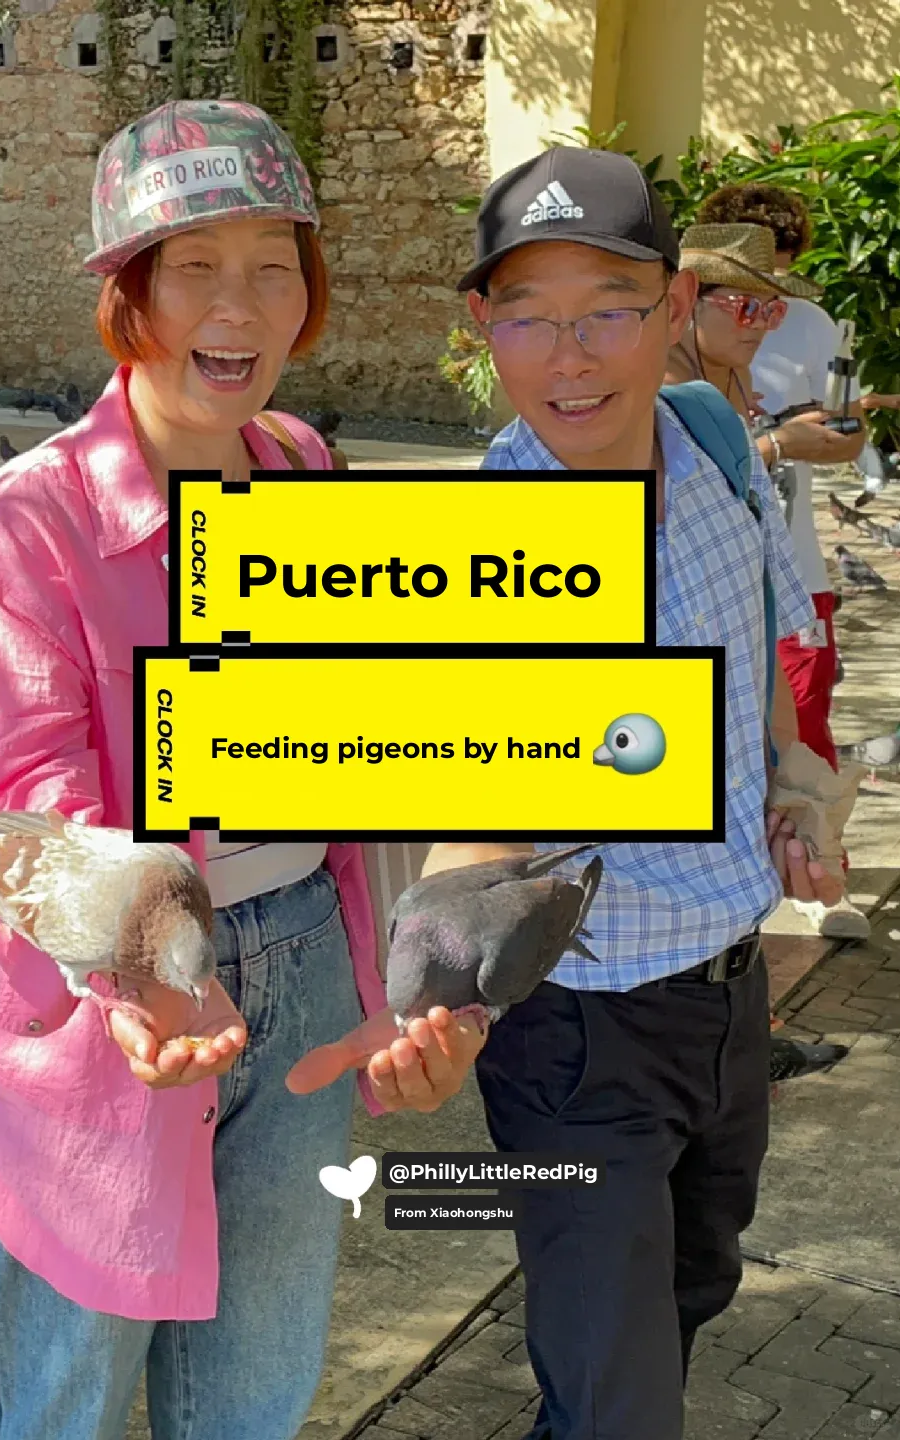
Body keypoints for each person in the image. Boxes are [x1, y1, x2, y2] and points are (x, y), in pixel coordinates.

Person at [0, 99, 485, 1440]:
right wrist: (145, 958)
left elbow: (376, 735)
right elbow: (11, 801)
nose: (239, 307)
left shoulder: (302, 467)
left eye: (274, 266)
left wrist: (431, 971)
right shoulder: (38, 516)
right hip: (110, 1017)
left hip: (306, 971)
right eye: (195, 266)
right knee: (49, 1401)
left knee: (255, 1390)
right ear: (130, 292)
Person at [435, 144, 844, 1440]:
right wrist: (432, 991)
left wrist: (794, 792)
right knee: (619, 1402)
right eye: (531, 317)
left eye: (608, 310)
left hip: (729, 997)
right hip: (576, 1032)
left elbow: (763, 641)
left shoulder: (718, 440)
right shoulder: (477, 547)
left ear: (672, 308)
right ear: (483, 328)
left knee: (689, 1299)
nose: (572, 357)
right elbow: (459, 804)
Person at [697, 182, 886, 939]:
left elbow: (848, 434)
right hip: (709, 585)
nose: (763, 311)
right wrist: (774, 442)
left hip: (793, 570)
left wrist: (828, 437)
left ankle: (815, 877)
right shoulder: (666, 339)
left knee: (801, 727)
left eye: (773, 290)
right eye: (745, 294)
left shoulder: (809, 324)